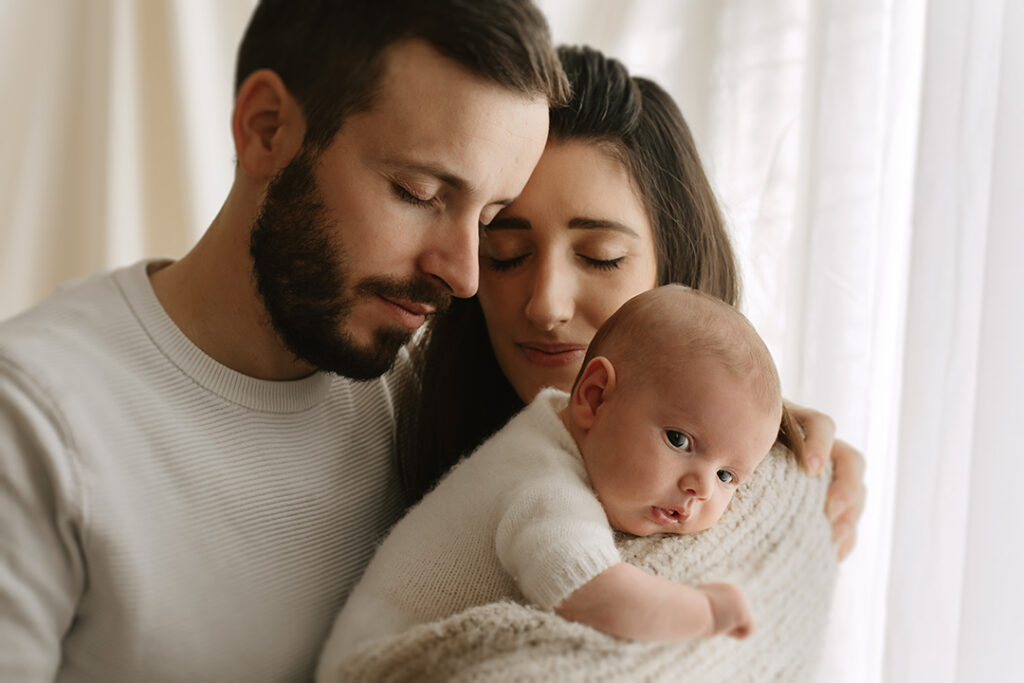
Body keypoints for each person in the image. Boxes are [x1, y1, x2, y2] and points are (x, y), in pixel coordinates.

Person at [0, 1, 568, 681]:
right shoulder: (32, 417)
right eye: (419, 192)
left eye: (490, 219)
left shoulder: (426, 394)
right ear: (266, 128)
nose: (463, 274)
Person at [408, 45, 866, 558]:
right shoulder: (403, 422)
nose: (546, 307)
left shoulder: (720, 507)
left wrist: (730, 428)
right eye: (507, 254)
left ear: (674, 264)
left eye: (602, 258)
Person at [317, 285, 799, 678]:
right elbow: (593, 595)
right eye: (679, 439)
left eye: (727, 475)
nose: (702, 488)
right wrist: (707, 612)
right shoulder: (541, 483)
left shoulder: (562, 431)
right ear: (594, 397)